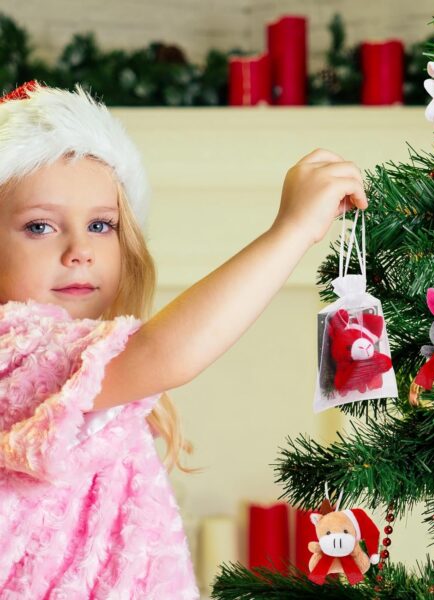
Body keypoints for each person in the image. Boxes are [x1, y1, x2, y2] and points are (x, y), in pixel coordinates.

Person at [0, 81, 367, 598]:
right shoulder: (14, 349)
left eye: (102, 225)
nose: (79, 249)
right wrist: (291, 230)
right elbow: (167, 354)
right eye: (40, 227)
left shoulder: (80, 355)